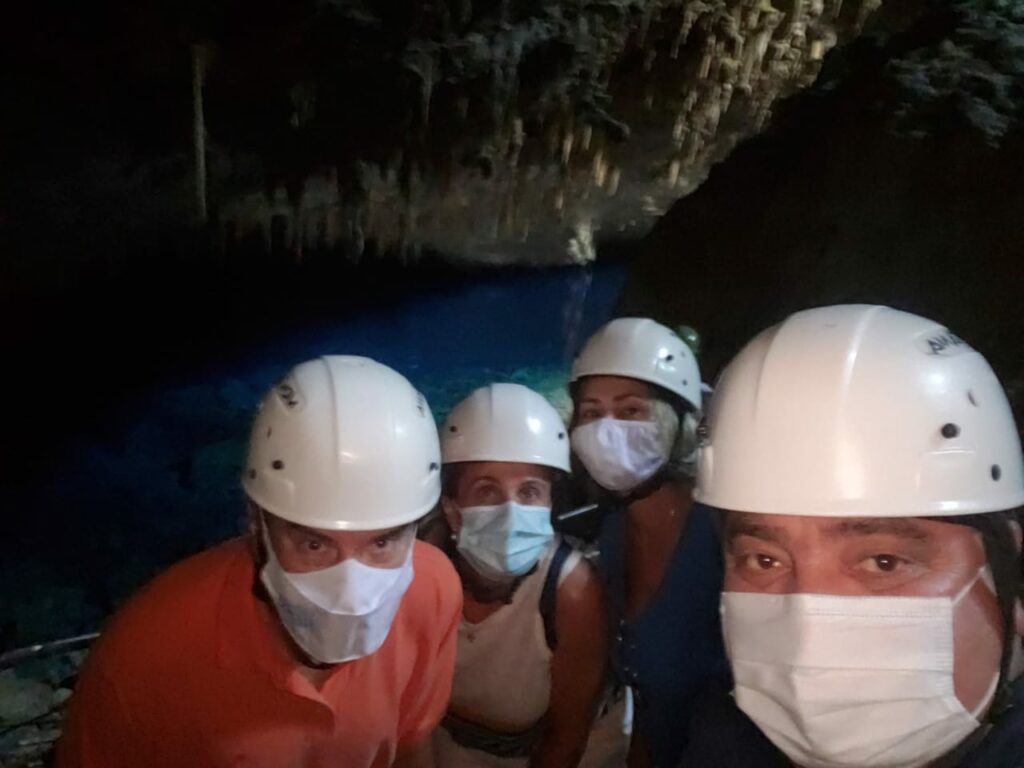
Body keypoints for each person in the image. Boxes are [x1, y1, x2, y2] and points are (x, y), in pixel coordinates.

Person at [57, 356, 462, 768]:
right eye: (314, 545)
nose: (351, 594)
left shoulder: (432, 594)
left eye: (383, 542)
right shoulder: (144, 657)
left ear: (417, 529)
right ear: (256, 523)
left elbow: (411, 744)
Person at [682, 304, 1024, 768]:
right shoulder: (722, 742)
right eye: (764, 560)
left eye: (883, 561)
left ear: (1009, 575)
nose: (808, 640)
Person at [568, 318, 729, 767]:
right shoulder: (615, 533)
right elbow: (651, 708)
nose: (607, 430)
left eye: (631, 410)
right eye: (591, 413)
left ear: (679, 420)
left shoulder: (726, 538)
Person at [432, 383, 608, 767]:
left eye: (529, 491)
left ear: (549, 504)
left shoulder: (572, 593)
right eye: (486, 490)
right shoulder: (421, 572)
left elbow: (565, 741)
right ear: (451, 509)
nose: (510, 512)